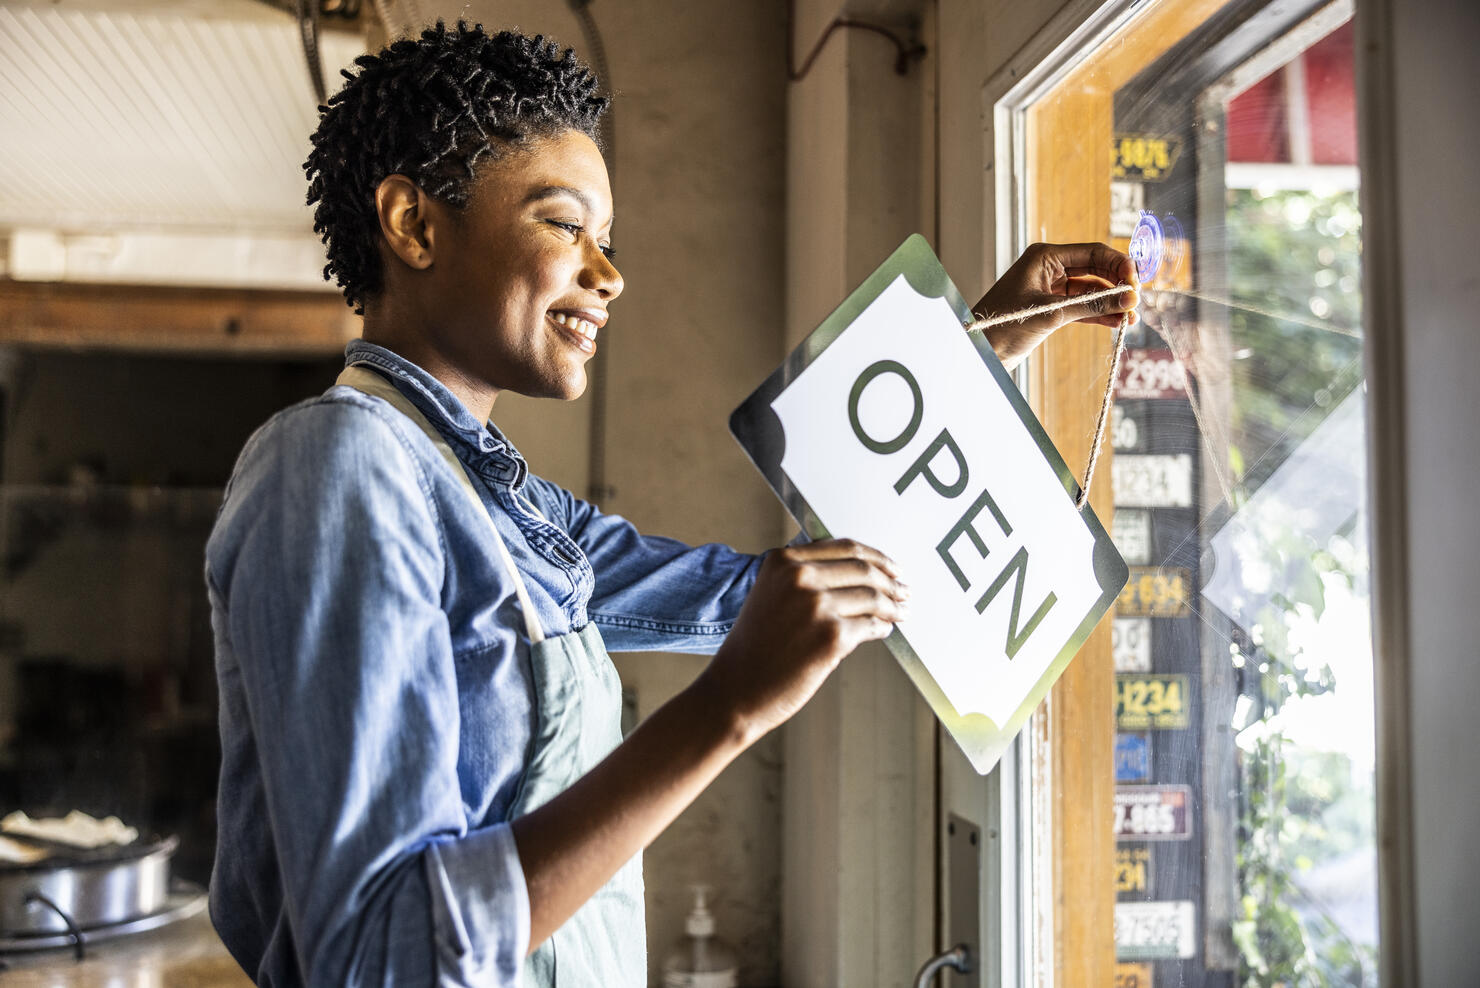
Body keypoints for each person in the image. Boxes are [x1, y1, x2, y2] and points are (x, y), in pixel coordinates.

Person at [204, 22, 1139, 988]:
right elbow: (377, 962)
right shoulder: (337, 465)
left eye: (605, 241)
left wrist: (973, 358)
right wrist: (727, 712)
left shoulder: (495, 497)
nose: (608, 275)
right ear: (414, 225)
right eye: (565, 225)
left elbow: (773, 596)